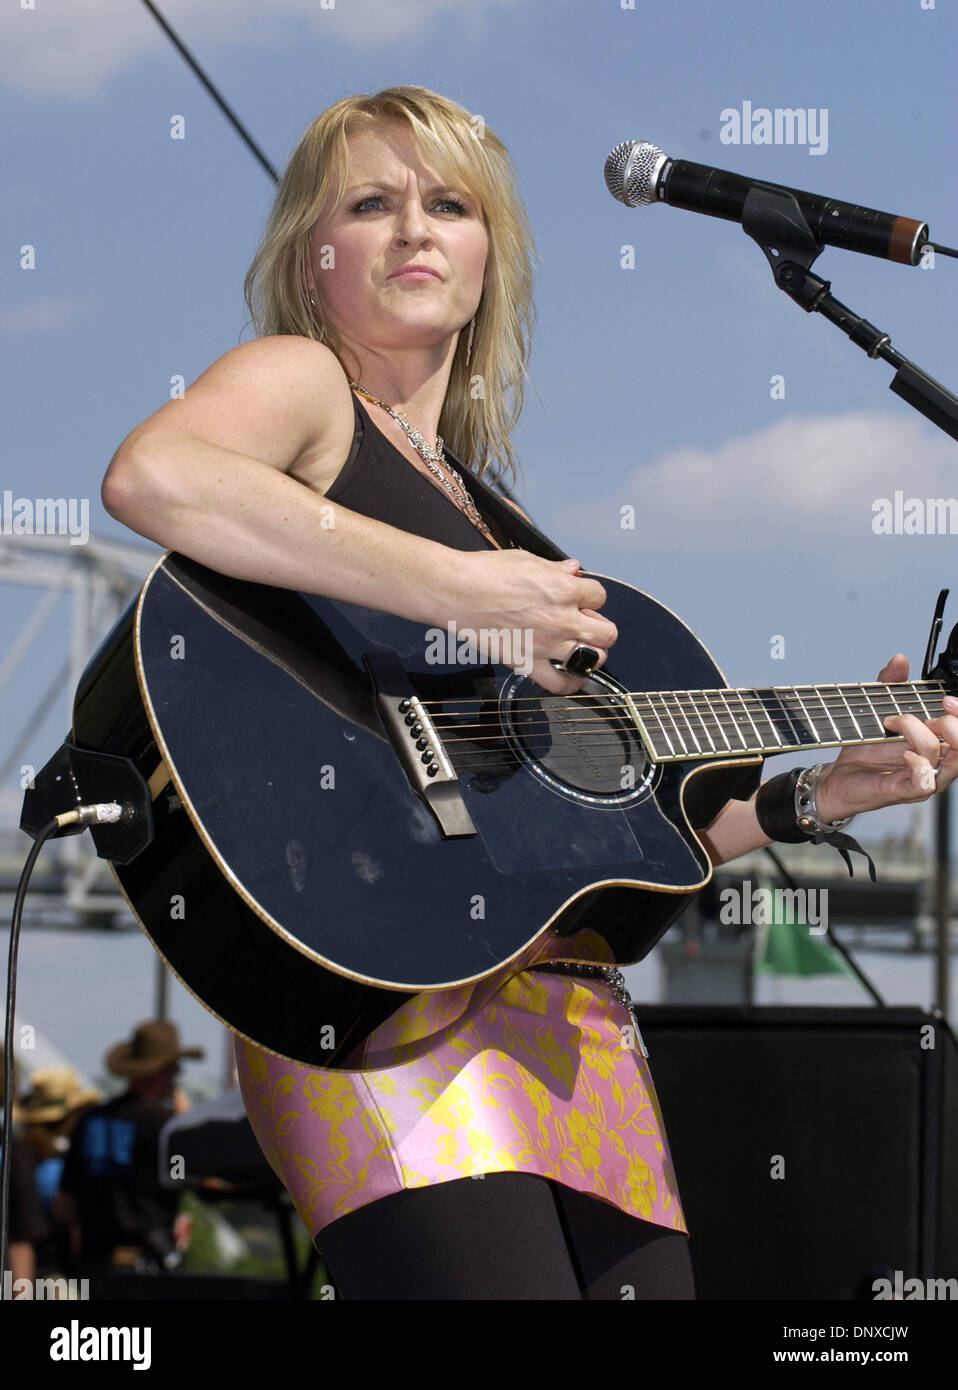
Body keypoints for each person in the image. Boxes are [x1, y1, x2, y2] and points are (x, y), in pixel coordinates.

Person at [100, 86, 958, 1300]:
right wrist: (456, 587)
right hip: (384, 1004)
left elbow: (615, 840)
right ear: (312, 249)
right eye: (372, 202)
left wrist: (812, 798)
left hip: (570, 1021)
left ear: (489, 253)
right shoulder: (300, 382)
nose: (413, 230)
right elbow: (154, 474)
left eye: (449, 205)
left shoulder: (495, 514)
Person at [58, 1020, 203, 1277]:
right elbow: (190, 1177)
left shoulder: (90, 1119)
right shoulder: (164, 1127)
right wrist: (185, 1122)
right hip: (149, 1265)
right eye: (174, 1069)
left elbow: (64, 1204)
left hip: (94, 1265)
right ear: (162, 1071)